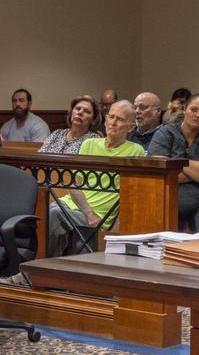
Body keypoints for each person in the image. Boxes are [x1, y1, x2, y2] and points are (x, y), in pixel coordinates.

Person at [48, 100, 145, 255]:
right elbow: (73, 183)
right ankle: (36, 269)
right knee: (41, 212)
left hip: (100, 216)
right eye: (111, 116)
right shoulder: (89, 143)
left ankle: (36, 271)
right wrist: (89, 214)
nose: (112, 122)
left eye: (119, 119)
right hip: (77, 208)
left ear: (131, 127)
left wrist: (113, 225)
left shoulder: (136, 151)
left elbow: (131, 196)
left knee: (54, 214)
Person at [149, 93, 199, 232]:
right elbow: (160, 171)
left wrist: (176, 163)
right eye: (193, 109)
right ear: (185, 109)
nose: (197, 115)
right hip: (169, 197)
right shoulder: (165, 134)